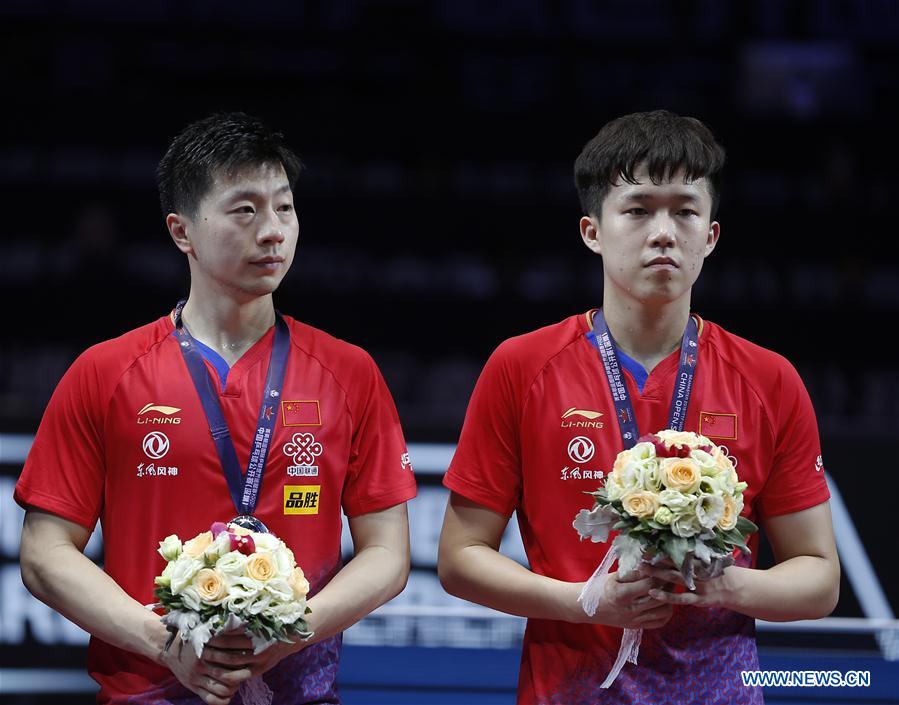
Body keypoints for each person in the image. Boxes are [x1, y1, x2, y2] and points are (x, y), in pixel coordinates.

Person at [438, 109, 839, 704]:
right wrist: (584, 601)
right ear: (591, 230)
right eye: (638, 209)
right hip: (567, 691)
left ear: (711, 234)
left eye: (685, 210)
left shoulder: (768, 379)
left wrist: (724, 587)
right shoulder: (521, 368)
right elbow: (460, 557)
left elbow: (819, 579)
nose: (663, 232)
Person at [16, 112, 417, 705]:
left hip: (300, 692)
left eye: (284, 208)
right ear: (182, 232)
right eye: (245, 210)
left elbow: (387, 551)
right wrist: (161, 641)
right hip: (144, 694)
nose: (273, 231)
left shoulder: (348, 372)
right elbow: (44, 553)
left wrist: (293, 628)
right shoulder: (105, 373)